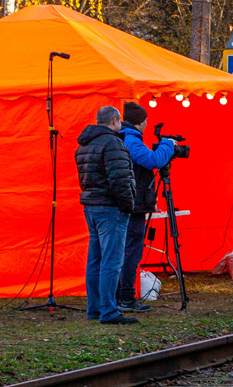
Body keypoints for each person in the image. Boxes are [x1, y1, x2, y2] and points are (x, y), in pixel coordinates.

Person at [75, 105, 137, 325]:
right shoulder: (113, 143)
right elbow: (120, 179)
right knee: (111, 260)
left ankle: (95, 308)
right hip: (111, 208)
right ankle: (109, 311)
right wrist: (129, 205)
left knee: (96, 259)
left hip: (91, 206)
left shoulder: (85, 144)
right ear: (115, 121)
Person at [115, 101, 176, 313]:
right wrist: (168, 145)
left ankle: (117, 295)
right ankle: (125, 296)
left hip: (129, 202)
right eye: (146, 121)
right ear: (140, 122)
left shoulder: (122, 137)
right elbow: (152, 160)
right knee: (131, 250)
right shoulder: (131, 140)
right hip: (134, 204)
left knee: (122, 249)